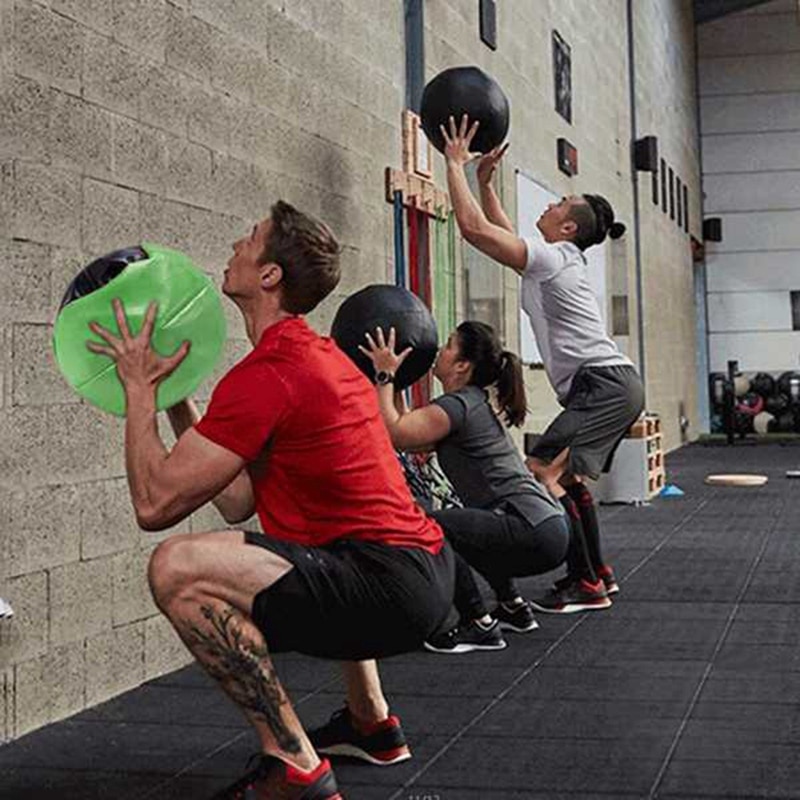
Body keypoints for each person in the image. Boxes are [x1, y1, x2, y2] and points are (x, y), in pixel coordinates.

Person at [86, 201, 455, 799]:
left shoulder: (272, 372)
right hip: (416, 572)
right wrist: (177, 397)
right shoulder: (311, 360)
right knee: (318, 545)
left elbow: (154, 504)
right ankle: (372, 724)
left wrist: (137, 390)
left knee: (176, 569)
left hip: (390, 581)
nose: (235, 244)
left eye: (249, 239)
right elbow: (235, 501)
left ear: (269, 276)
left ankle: (294, 764)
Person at [440, 114, 645, 614]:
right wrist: (485, 182)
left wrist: (453, 164)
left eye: (558, 204)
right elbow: (498, 230)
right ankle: (595, 575)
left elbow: (472, 230)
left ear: (568, 227)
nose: (549, 205)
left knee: (541, 474)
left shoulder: (554, 258)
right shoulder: (554, 259)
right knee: (566, 478)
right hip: (610, 385)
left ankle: (583, 582)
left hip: (605, 385)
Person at [361, 321, 569, 653]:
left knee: (430, 526)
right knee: (475, 525)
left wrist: (383, 375)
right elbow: (411, 437)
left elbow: (393, 433)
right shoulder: (467, 403)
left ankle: (478, 622)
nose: (439, 351)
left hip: (530, 528)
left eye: (448, 345)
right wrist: (398, 383)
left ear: (462, 365)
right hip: (548, 527)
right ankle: (513, 606)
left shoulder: (457, 406)